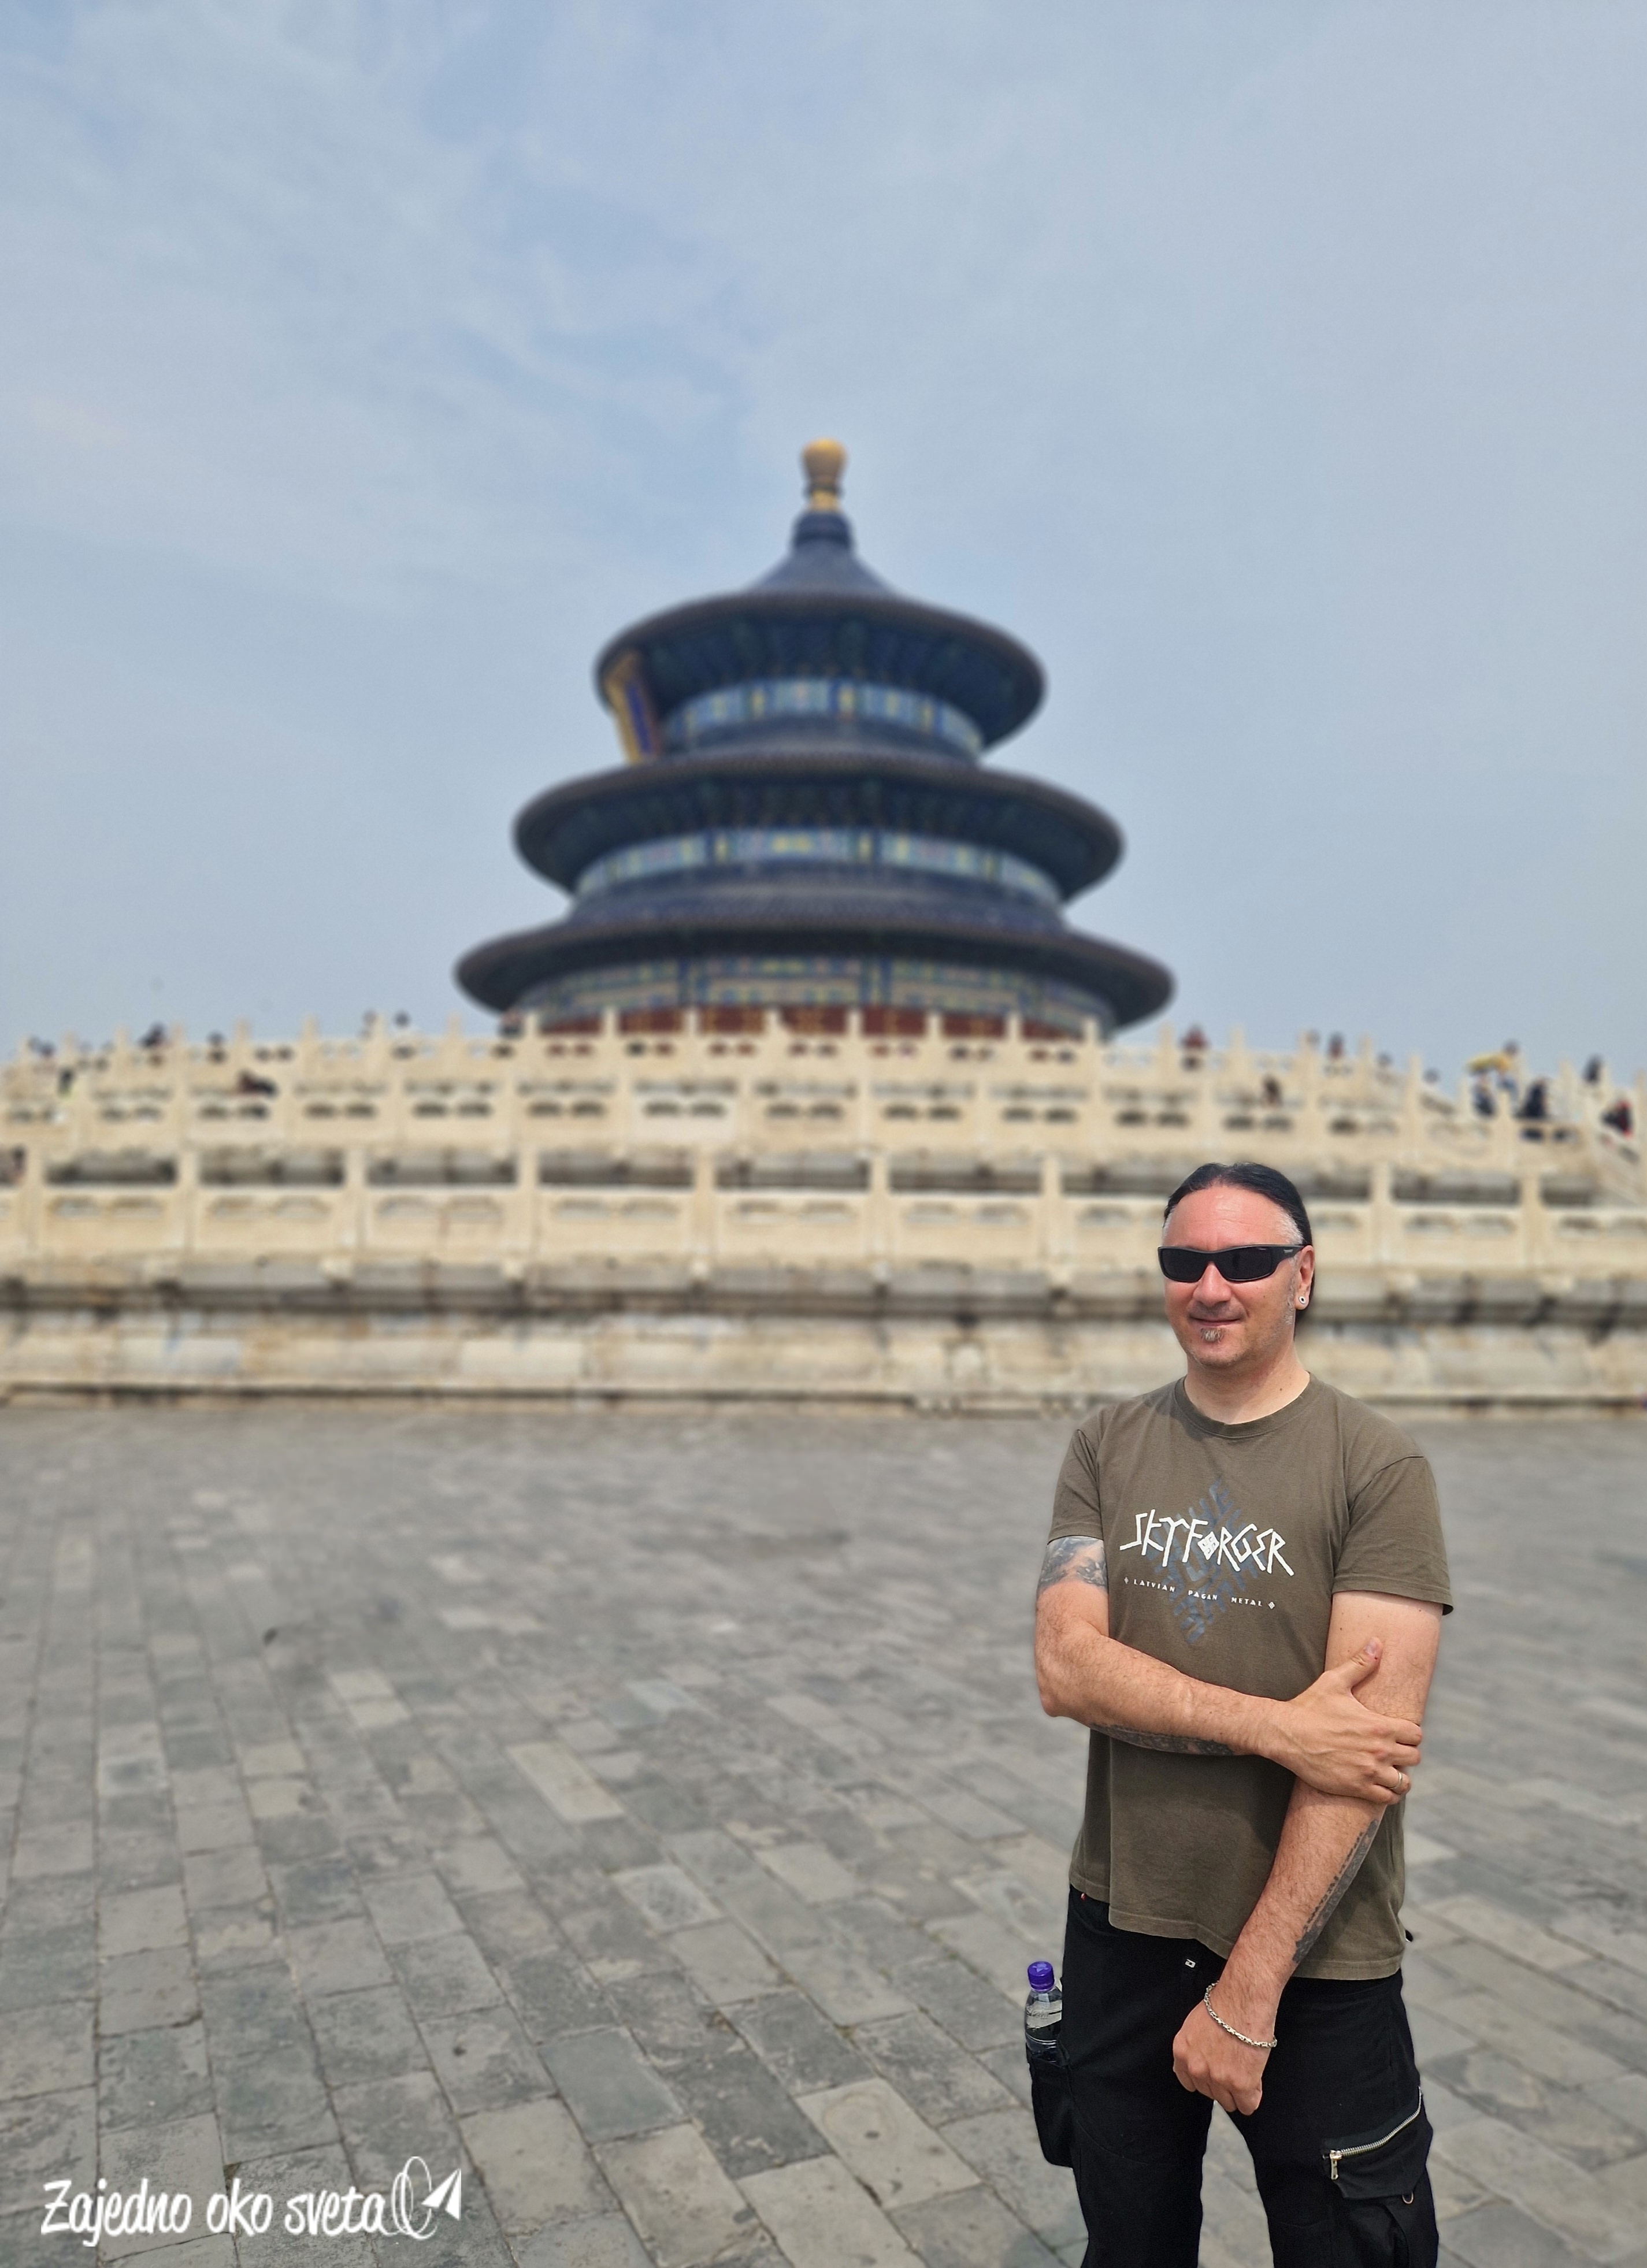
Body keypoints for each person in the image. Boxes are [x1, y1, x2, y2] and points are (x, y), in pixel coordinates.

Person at [1034, 1161, 1451, 2267]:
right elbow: (1066, 1668)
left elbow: (1360, 1757)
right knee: (1127, 2240)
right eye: (1184, 1260)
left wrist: (1250, 1987)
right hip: (1121, 1920)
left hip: (1316, 1952)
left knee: (1351, 2244)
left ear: (1301, 1275)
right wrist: (1274, 1725)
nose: (1209, 1286)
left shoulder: (1376, 1466)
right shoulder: (1106, 1443)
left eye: (1245, 1260)